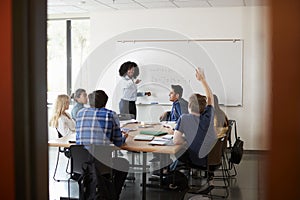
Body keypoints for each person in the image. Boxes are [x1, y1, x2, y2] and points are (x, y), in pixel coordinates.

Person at [76, 90, 129, 199]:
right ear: (105, 102)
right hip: (102, 163)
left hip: (82, 163)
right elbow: (118, 142)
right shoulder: (110, 115)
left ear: (90, 102)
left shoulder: (80, 113)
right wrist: (124, 137)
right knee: (123, 163)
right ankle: (112, 195)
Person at [171, 68, 217, 185]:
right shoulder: (208, 116)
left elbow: (176, 140)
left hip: (197, 160)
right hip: (212, 159)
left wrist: (186, 139)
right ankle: (170, 171)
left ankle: (169, 173)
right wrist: (203, 80)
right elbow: (210, 97)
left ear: (189, 106)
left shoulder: (184, 118)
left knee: (179, 151)